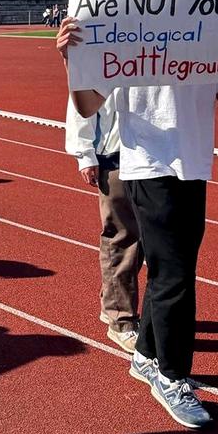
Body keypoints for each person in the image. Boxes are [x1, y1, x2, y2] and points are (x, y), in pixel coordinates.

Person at [57, 17, 218, 429]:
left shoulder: (204, 34)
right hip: (147, 164)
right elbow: (88, 104)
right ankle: (171, 375)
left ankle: (146, 356)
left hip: (192, 165)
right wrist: (73, 61)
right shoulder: (129, 35)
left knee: (173, 272)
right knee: (174, 278)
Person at [65, 93, 143, 353]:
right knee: (122, 238)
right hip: (115, 156)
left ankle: (111, 302)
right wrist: (85, 155)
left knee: (145, 239)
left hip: (153, 156)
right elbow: (81, 93)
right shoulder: (100, 52)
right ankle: (121, 319)